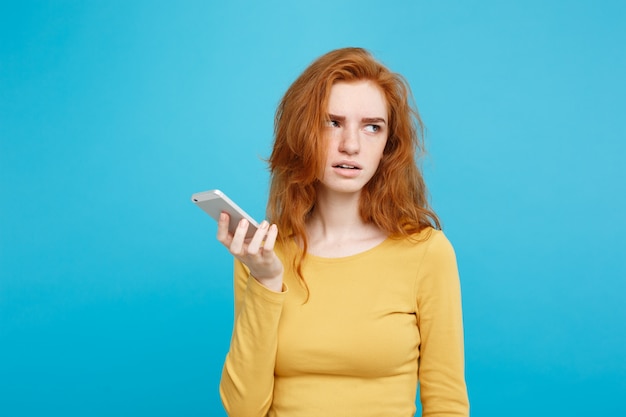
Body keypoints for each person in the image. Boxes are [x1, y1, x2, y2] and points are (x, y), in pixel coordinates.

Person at [216, 47, 469, 417]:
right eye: (332, 122)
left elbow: (446, 405)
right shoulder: (262, 253)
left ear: (388, 145)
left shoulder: (427, 253)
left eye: (372, 127)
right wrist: (266, 280)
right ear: (302, 132)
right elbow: (243, 409)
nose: (351, 145)